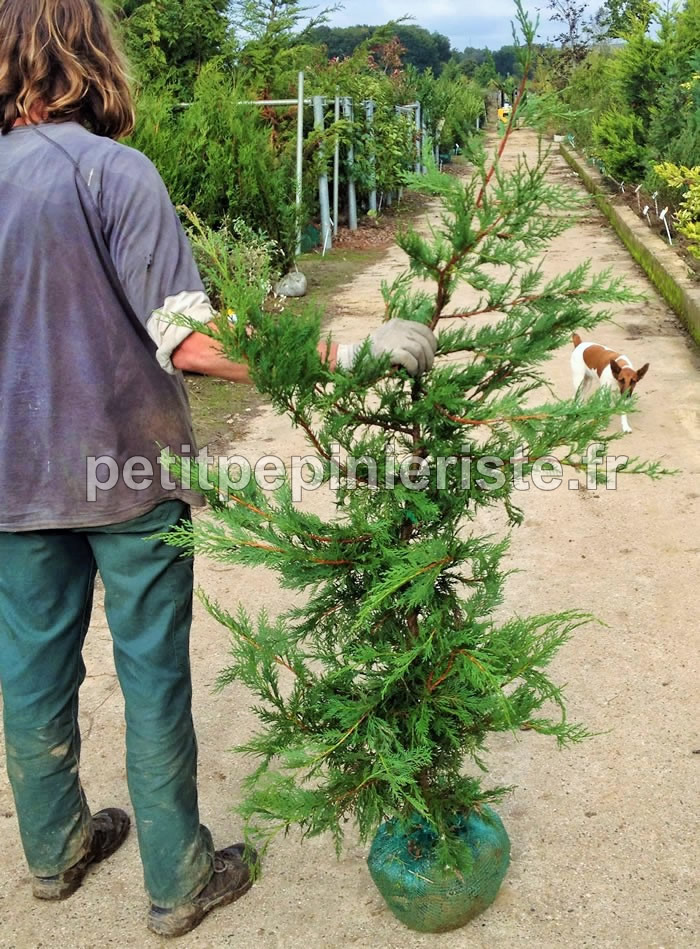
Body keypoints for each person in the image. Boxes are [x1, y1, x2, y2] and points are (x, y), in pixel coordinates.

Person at [0, 0, 437, 937]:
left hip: (11, 482)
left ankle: (56, 850)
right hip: (129, 472)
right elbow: (188, 341)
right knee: (152, 670)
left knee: (30, 669)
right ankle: (179, 880)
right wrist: (343, 354)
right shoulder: (113, 172)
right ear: (90, 50)